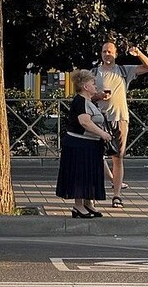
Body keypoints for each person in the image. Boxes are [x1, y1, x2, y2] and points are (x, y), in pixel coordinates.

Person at [93, 41, 148, 209]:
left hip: (120, 118)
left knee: (118, 157)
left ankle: (117, 195)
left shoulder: (123, 70)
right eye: (104, 51)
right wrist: (97, 96)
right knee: (95, 156)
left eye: (110, 51)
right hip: (99, 120)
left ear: (116, 54)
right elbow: (85, 96)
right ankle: (96, 191)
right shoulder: (93, 73)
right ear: (101, 53)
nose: (107, 54)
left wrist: (139, 53)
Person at [56, 69, 113, 218]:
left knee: (90, 175)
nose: (96, 86)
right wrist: (103, 134)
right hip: (79, 145)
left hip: (90, 145)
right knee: (80, 175)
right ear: (85, 87)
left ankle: (88, 203)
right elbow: (85, 122)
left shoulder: (89, 101)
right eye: (93, 84)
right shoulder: (80, 101)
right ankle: (78, 206)